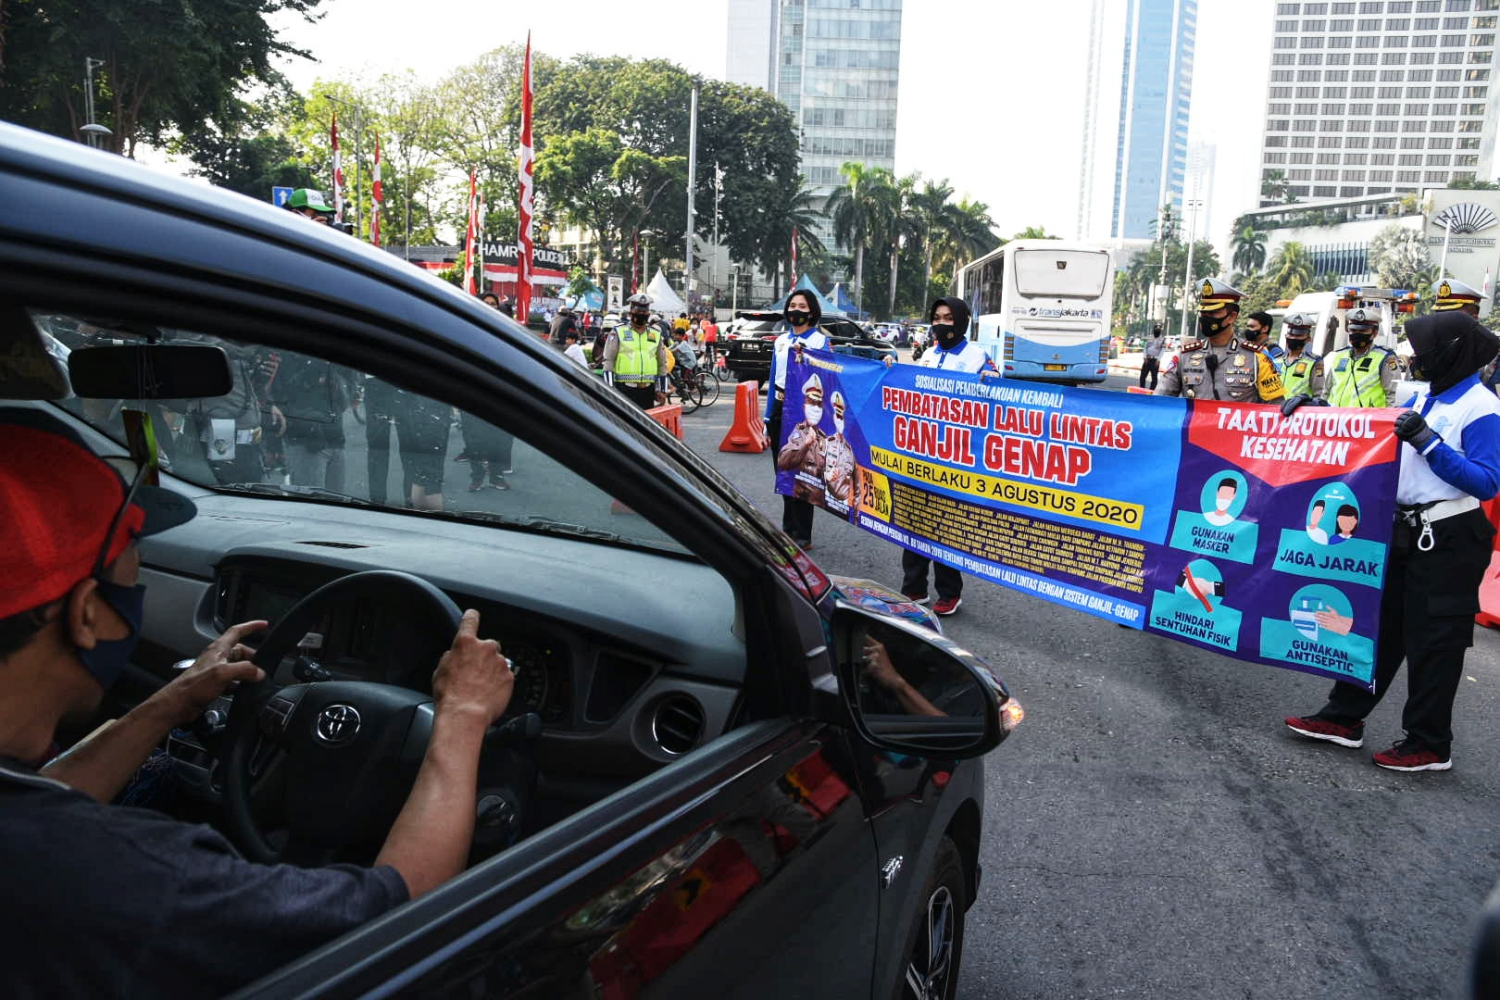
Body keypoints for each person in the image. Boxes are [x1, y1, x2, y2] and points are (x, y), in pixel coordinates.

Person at [0, 408, 515, 995]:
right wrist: (464, 714)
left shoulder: (31, 834)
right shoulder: (128, 880)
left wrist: (172, 703)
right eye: (131, 577)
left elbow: (46, 798)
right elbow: (394, 918)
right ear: (88, 612)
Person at [1284, 310, 1500, 772]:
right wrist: (1317, 412)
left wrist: (1429, 443)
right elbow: (1367, 420)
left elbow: (1487, 482)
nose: (1414, 359)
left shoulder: (1482, 407)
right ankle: (1345, 718)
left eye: (1423, 352)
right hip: (1405, 531)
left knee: (1435, 641)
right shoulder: (1426, 395)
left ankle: (1429, 743)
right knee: (1379, 629)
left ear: (1451, 355)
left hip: (1450, 537)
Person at [890, 298, 998, 616]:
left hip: (955, 456)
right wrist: (889, 368)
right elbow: (908, 390)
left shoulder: (977, 356)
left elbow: (998, 393)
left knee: (946, 525)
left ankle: (949, 592)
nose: (941, 323)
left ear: (962, 321)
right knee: (914, 521)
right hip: (921, 452)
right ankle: (914, 588)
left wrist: (991, 383)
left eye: (948, 318)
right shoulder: (928, 356)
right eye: (936, 318)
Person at [764, 289, 831, 548]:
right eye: (793, 305)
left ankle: (802, 534)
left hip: (805, 412)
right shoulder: (780, 342)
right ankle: (787, 528)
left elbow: (830, 379)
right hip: (781, 409)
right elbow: (772, 380)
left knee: (804, 473)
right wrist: (768, 417)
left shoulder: (820, 343)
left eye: (802, 306)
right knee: (783, 468)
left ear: (812, 312)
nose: (796, 310)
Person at [1155, 279, 1285, 403]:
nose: (1206, 319)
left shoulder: (1257, 357)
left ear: (1232, 317)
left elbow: (1275, 407)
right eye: (1203, 313)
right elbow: (1159, 400)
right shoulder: (1185, 356)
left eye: (1213, 313)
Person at [1317, 308, 1399, 408]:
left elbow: (1393, 396)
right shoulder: (1339, 355)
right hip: (1336, 418)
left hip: (1368, 421)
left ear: (1374, 333)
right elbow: (1326, 392)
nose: (1357, 334)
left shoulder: (1385, 358)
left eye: (1363, 330)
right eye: (1353, 330)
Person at [602, 293, 670, 410]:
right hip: (624, 390)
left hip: (648, 391)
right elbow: (608, 361)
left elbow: (662, 364)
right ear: (631, 312)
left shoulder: (655, 334)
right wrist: (610, 390)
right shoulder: (618, 331)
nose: (642, 315)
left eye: (644, 312)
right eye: (638, 311)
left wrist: (662, 390)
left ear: (648, 314)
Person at [1279, 313, 1323, 400]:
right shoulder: (1276, 359)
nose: (1294, 338)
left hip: (1300, 411)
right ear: (1286, 336)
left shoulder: (1314, 362)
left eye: (1298, 336)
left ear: (1308, 339)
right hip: (1274, 410)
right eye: (1291, 335)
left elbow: (1319, 393)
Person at [1140, 325, 1165, 390]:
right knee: (1143, 376)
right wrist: (1144, 357)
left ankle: (1152, 390)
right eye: (1156, 329)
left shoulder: (1162, 339)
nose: (1157, 330)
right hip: (1147, 359)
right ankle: (1142, 389)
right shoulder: (1149, 338)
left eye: (1159, 329)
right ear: (1154, 330)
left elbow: (1162, 350)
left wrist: (1158, 360)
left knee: (1154, 377)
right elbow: (1145, 348)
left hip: (1155, 360)